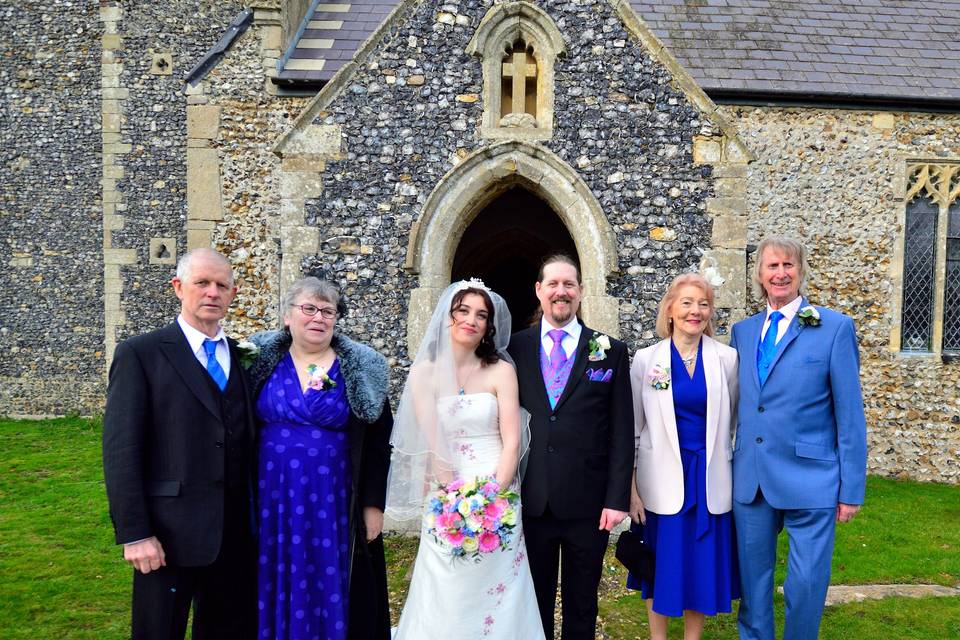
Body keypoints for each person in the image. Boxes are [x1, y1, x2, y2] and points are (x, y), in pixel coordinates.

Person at [102, 247, 257, 640]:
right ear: (178, 287)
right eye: (201, 283)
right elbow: (122, 450)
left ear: (233, 294)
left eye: (222, 285)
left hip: (234, 536)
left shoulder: (242, 356)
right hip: (167, 535)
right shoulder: (141, 353)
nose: (212, 292)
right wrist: (136, 533)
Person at [386, 280, 545, 640]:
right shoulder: (424, 373)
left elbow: (511, 440)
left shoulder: (500, 371)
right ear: (448, 316)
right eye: (464, 311)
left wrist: (493, 496)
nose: (472, 320)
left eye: (481, 315)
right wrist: (455, 500)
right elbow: (434, 441)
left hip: (498, 483)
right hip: (447, 486)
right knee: (447, 581)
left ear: (489, 326)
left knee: (498, 584)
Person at [730, 236, 867, 640]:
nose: (780, 273)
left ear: (801, 270)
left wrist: (851, 488)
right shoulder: (743, 331)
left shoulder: (835, 328)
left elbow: (849, 413)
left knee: (806, 585)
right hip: (751, 479)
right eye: (772, 266)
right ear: (759, 274)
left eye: (788, 265)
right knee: (753, 587)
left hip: (812, 478)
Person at [245, 277, 393, 640]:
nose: (318, 318)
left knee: (330, 572)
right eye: (308, 308)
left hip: (334, 499)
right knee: (272, 570)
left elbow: (378, 442)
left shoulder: (359, 368)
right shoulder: (256, 361)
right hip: (271, 498)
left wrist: (373, 505)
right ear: (287, 316)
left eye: (328, 311)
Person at [506, 254, 634, 640]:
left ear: (580, 291)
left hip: (589, 504)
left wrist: (617, 499)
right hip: (533, 500)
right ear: (539, 291)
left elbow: (621, 431)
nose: (561, 292)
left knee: (582, 603)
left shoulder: (609, 350)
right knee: (534, 600)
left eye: (569, 284)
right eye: (553, 284)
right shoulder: (514, 348)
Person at [627, 273, 740, 640]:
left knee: (700, 565)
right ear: (670, 310)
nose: (696, 311)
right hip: (659, 481)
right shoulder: (646, 360)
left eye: (703, 304)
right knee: (659, 566)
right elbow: (633, 428)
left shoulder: (726, 359)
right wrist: (631, 491)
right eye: (687, 303)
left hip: (708, 479)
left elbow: (734, 420)